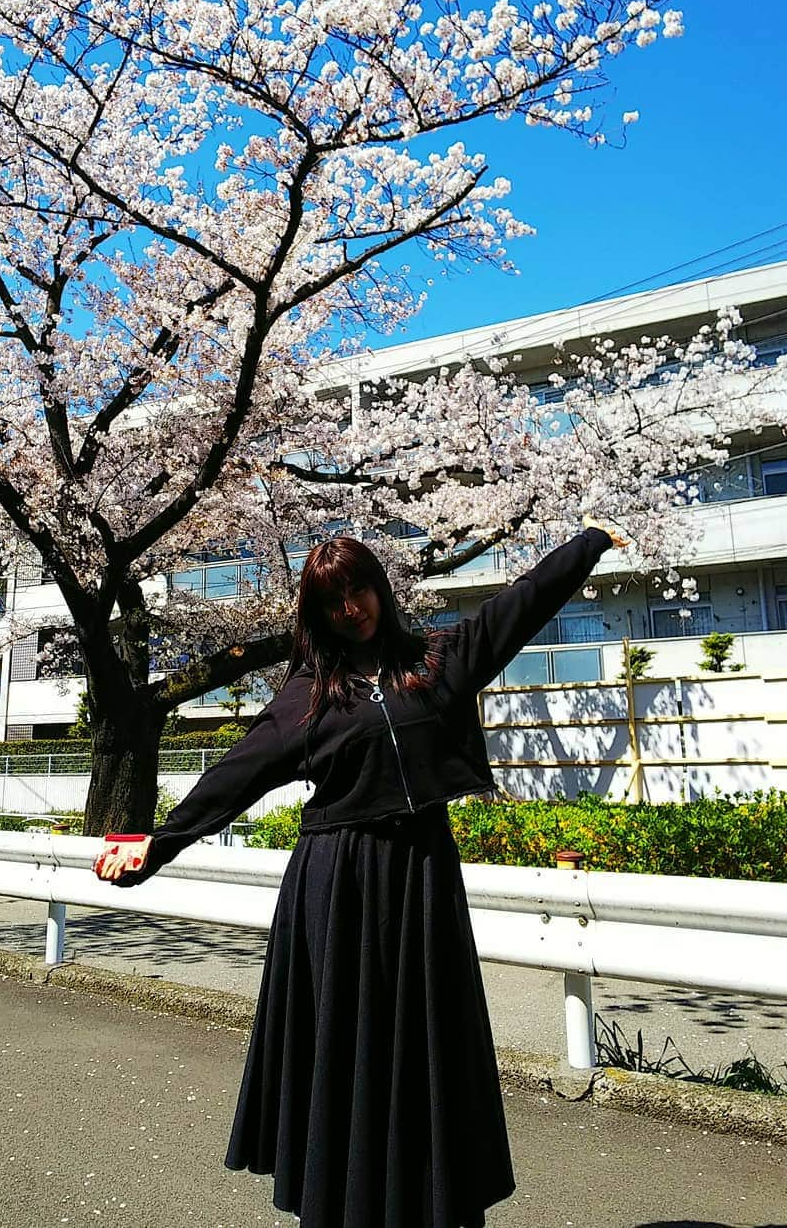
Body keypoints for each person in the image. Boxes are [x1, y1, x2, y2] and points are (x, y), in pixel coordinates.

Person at [95, 519, 626, 1227]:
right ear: (317, 615)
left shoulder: (439, 660)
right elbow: (236, 776)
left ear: (379, 587)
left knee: (428, 1046)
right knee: (347, 1051)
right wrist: (157, 844)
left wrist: (589, 542)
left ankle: (431, 1205)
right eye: (334, 600)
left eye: (360, 589)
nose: (353, 608)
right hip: (338, 885)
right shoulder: (308, 696)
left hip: (422, 878)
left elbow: (521, 603)